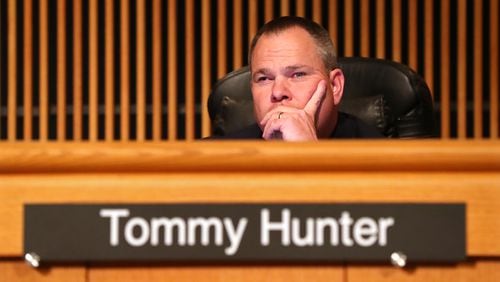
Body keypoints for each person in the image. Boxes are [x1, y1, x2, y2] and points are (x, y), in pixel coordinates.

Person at [210, 16, 382, 140]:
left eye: (298, 75)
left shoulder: (383, 159)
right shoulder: (216, 159)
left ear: (335, 86)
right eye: (264, 79)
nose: (277, 92)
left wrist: (307, 155)